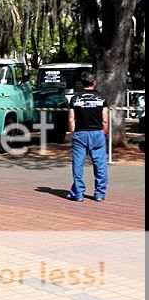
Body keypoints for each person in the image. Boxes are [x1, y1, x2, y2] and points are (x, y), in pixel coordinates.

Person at [67, 71, 108, 202]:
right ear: (94, 82)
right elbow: (105, 119)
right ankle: (99, 193)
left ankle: (78, 193)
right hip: (97, 133)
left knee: (78, 165)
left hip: (80, 133)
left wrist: (73, 132)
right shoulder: (101, 98)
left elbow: (71, 119)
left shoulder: (75, 98)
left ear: (82, 83)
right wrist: (104, 132)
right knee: (100, 164)